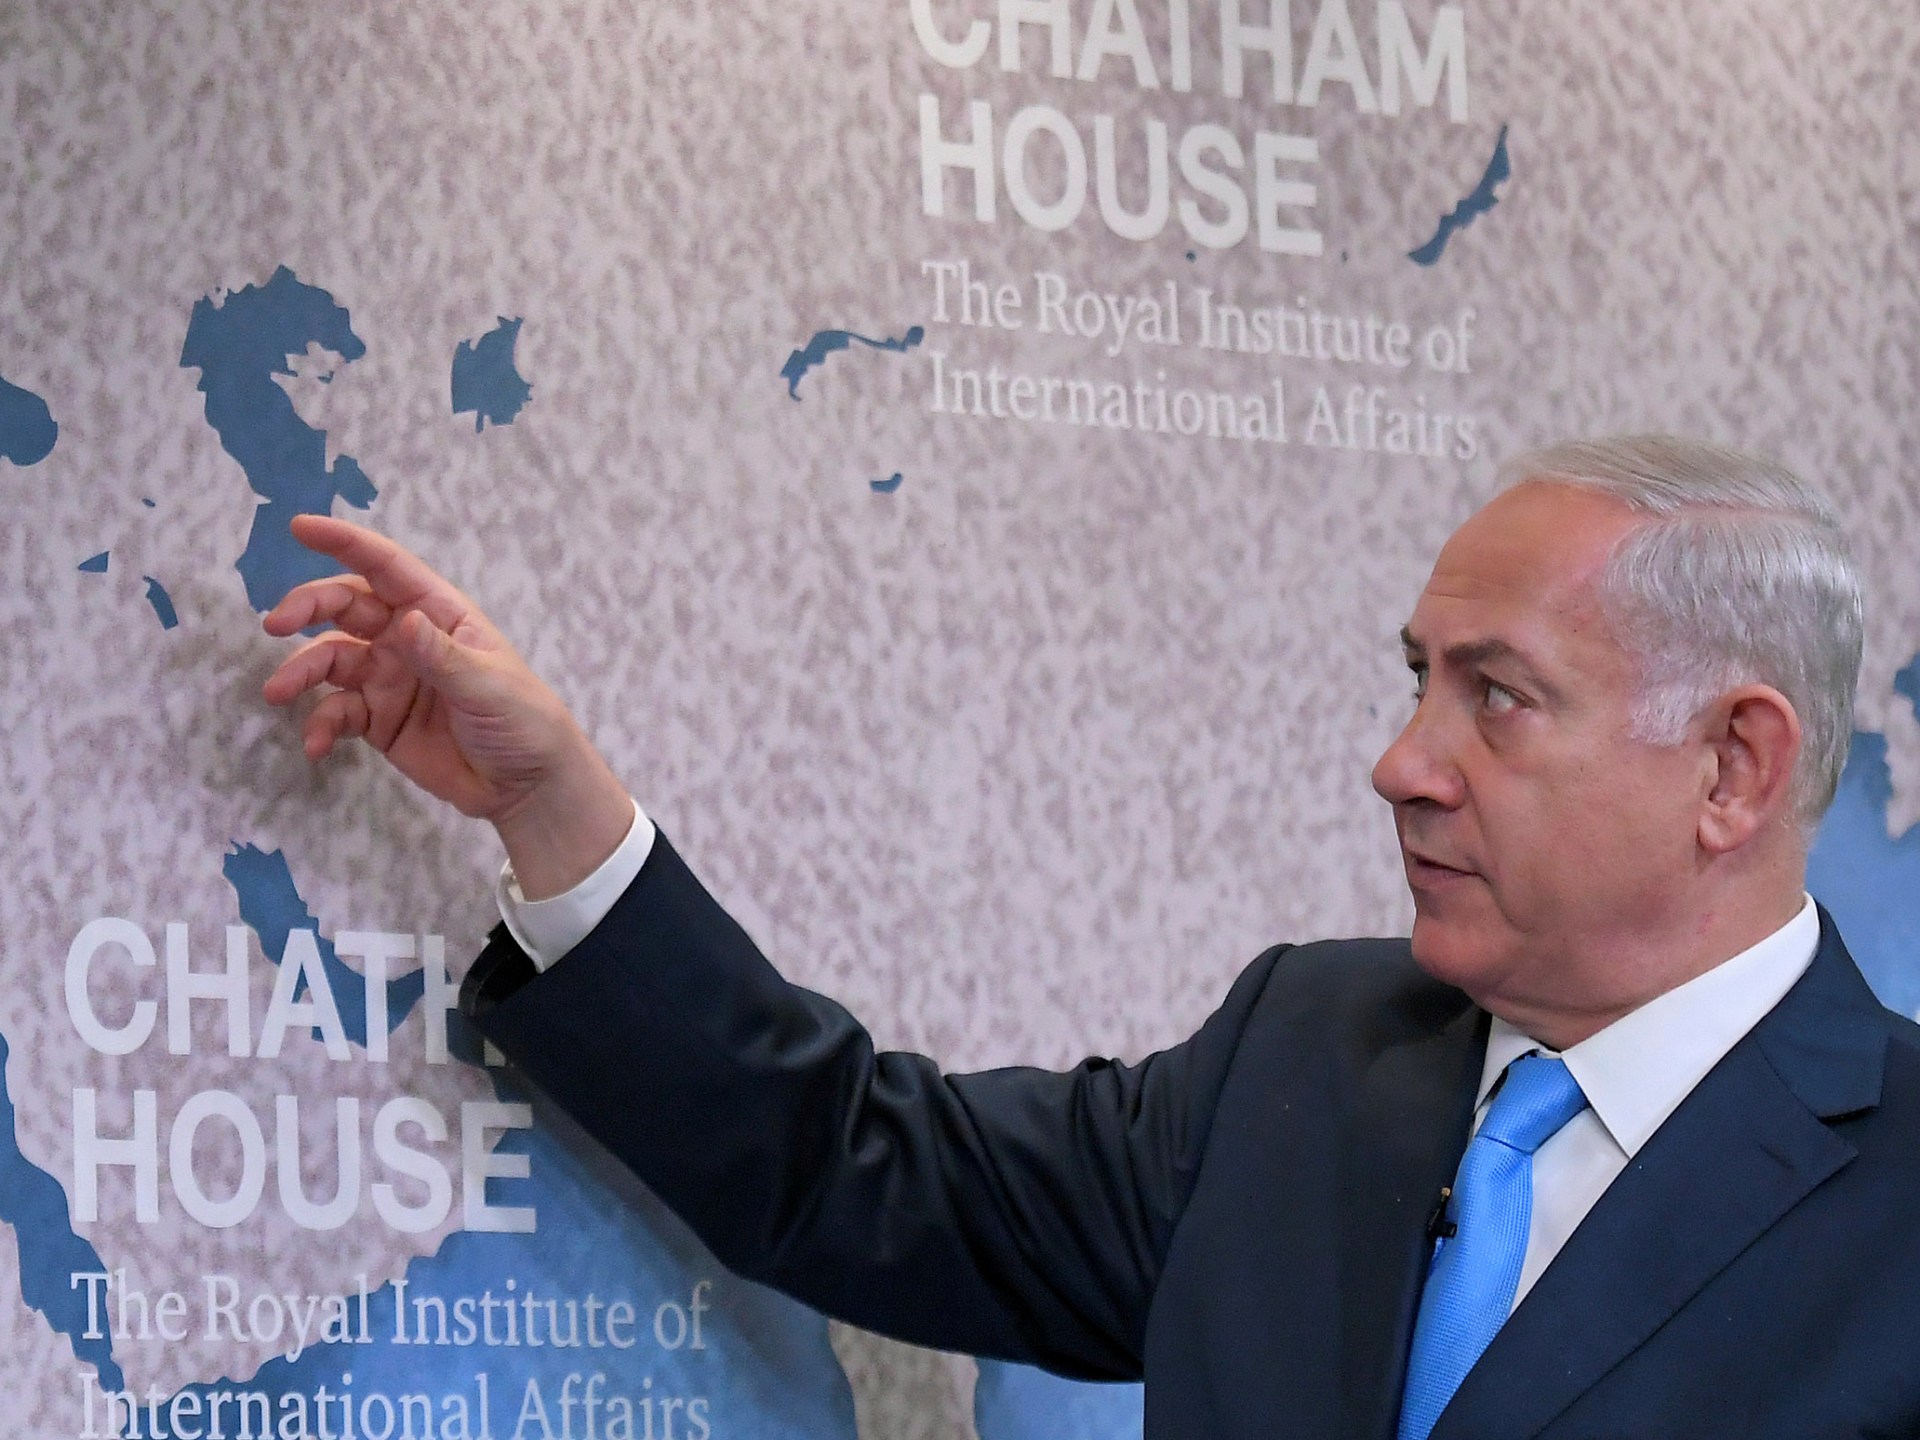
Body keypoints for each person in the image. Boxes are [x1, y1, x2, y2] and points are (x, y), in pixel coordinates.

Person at [261, 436, 1920, 1440]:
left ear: (1733, 767)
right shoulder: (1311, 1051)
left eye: (1498, 697)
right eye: (1419, 680)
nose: (1403, 764)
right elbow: (850, 1166)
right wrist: (554, 809)